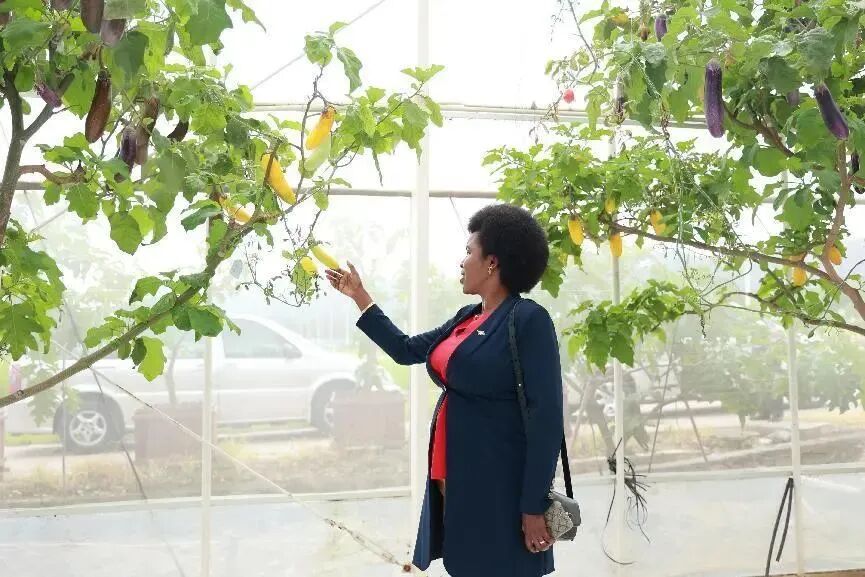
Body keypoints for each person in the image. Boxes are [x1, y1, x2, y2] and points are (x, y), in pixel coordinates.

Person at [326, 204, 565, 577]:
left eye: (469, 251)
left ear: (492, 263)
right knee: (464, 566)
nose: (462, 261)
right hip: (455, 482)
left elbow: (547, 420)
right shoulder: (467, 317)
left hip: (500, 487)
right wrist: (360, 296)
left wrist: (533, 506)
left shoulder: (528, 320)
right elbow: (406, 349)